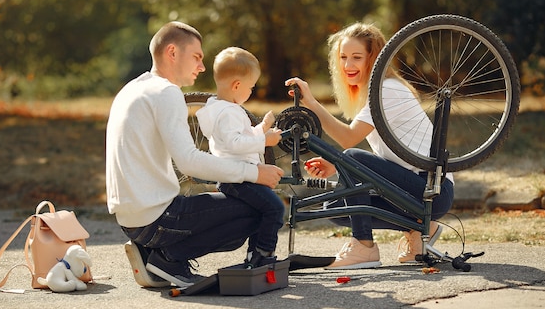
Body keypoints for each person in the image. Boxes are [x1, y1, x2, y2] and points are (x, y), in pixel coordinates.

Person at [106, 22, 284, 288]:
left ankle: (155, 255)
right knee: (257, 208)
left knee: (235, 203)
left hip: (130, 220)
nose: (202, 67)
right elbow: (189, 161)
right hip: (156, 219)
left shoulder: (133, 88)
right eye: (197, 57)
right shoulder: (166, 92)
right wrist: (255, 172)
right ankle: (168, 258)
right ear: (172, 52)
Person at [285, 22, 454, 270]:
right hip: (412, 186)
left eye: (356, 57)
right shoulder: (375, 91)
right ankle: (420, 228)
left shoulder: (388, 91)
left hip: (431, 189)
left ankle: (364, 247)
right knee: (334, 207)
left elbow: (348, 139)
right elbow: (387, 157)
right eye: (343, 57)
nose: (347, 65)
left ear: (374, 58)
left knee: (353, 154)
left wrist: (311, 103)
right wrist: (337, 165)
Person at [196, 47, 284, 269]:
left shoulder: (223, 108)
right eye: (251, 87)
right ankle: (263, 254)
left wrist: (261, 129)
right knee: (275, 208)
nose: (251, 92)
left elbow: (238, 139)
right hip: (238, 177)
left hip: (238, 174)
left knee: (263, 209)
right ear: (236, 86)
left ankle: (256, 256)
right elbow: (235, 144)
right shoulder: (229, 113)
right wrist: (265, 140)